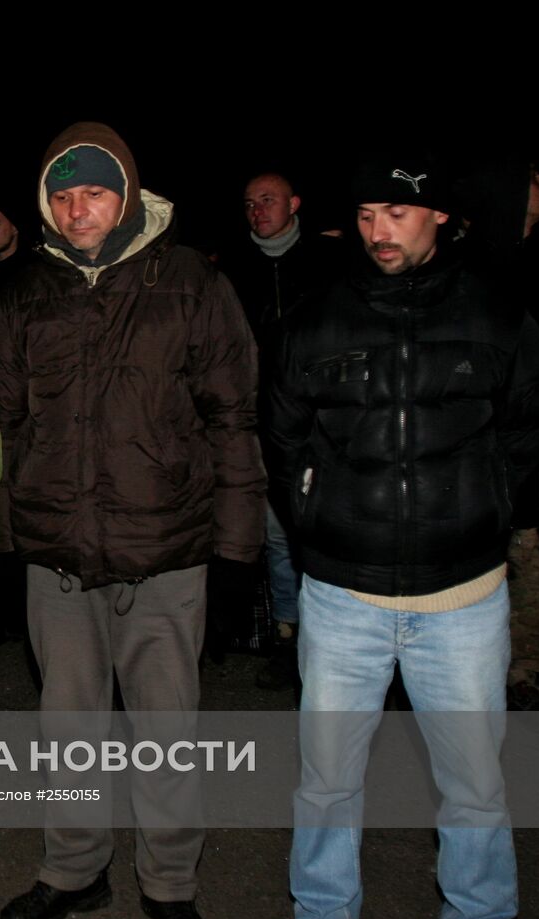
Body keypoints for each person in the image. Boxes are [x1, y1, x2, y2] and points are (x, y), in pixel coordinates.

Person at [0, 122, 264, 919]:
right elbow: (1, 425)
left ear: (128, 194)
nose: (79, 210)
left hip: (165, 551)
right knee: (68, 730)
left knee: (165, 731)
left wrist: (239, 544)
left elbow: (233, 413)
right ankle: (74, 871)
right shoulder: (24, 292)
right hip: (60, 557)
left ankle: (171, 884)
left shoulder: (188, 283)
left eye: (95, 192)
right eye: (63, 195)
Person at [269, 152, 539, 919]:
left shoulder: (497, 312)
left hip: (461, 599)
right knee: (326, 781)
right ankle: (322, 917)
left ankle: (478, 918)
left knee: (474, 784)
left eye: (394, 214)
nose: (377, 232)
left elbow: (526, 429)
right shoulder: (317, 317)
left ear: (437, 216)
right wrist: (314, 520)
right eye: (364, 216)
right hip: (341, 596)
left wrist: (488, 507)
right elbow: (284, 438)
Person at [223, 171, 344, 690]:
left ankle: (333, 645)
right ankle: (288, 636)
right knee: (274, 532)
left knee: (318, 528)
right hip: (256, 416)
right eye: (249, 203)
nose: (258, 211)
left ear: (294, 202)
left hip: (322, 417)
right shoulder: (232, 269)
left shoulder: (329, 261)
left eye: (268, 200)